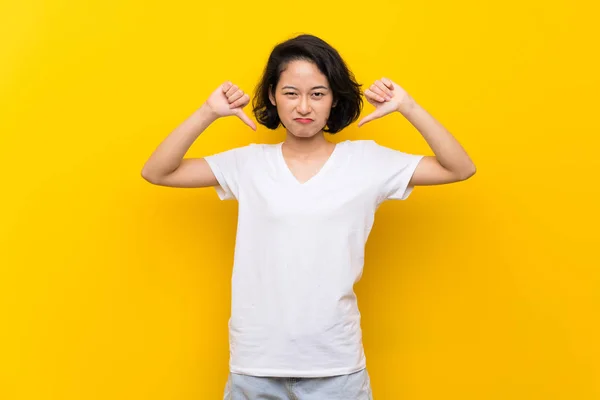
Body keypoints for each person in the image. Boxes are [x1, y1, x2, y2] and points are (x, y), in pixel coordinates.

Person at [141, 34, 476, 400]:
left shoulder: (367, 161)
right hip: (256, 367)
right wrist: (208, 111)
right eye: (290, 93)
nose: (304, 106)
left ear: (334, 99)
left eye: (318, 93)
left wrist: (407, 106)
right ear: (272, 95)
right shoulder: (248, 164)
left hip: (336, 368)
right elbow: (158, 172)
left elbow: (458, 167)